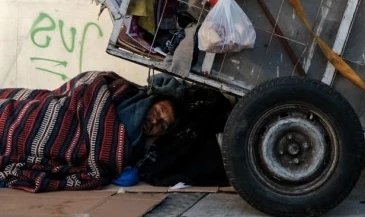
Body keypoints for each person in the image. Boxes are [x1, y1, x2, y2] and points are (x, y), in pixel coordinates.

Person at [0, 70, 232, 192]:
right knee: (17, 111)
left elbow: (98, 161)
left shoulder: (131, 150)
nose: (155, 121)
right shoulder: (117, 91)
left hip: (42, 142)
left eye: (162, 125)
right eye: (159, 111)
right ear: (151, 100)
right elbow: (89, 83)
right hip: (53, 109)